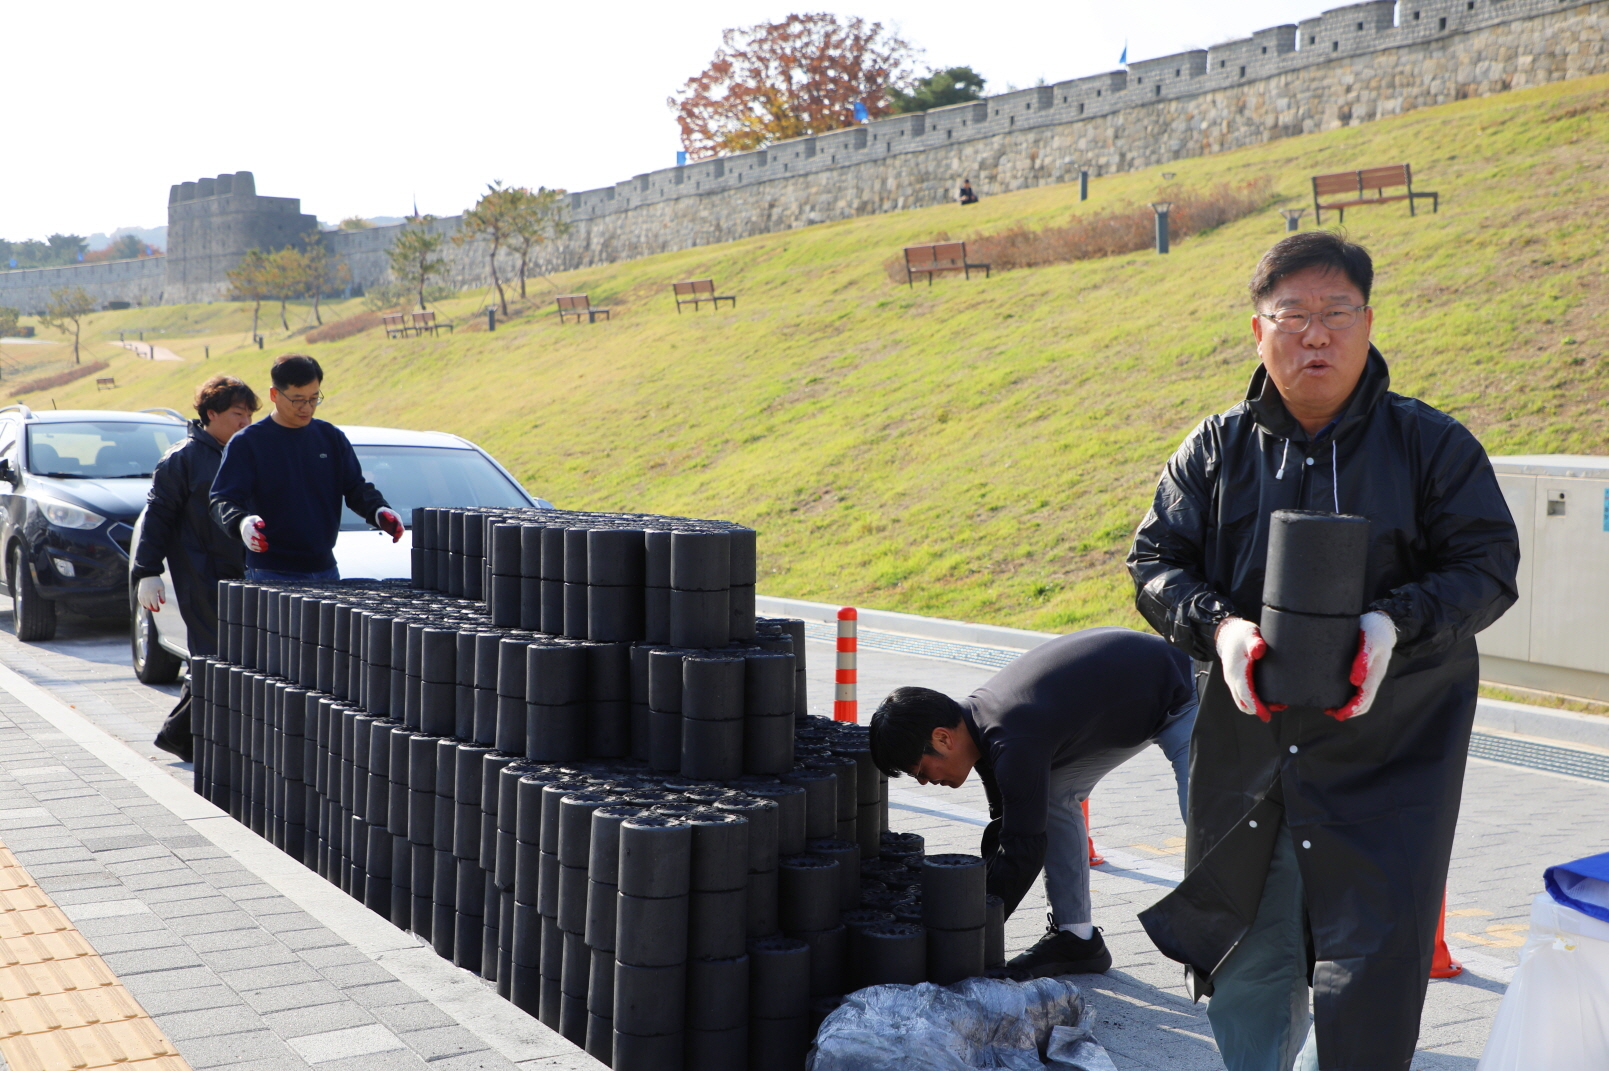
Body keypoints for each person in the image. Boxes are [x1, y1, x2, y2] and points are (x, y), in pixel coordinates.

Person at [1126, 231, 1518, 1071]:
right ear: (1256, 330)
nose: (1316, 335)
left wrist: (1390, 626)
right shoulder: (1216, 449)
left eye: (1336, 313)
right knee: (1251, 955)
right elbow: (1153, 563)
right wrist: (1220, 629)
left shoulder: (1430, 446)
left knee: (1372, 966)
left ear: (1368, 323)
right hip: (1249, 755)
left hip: (1391, 753)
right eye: (1292, 314)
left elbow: (1486, 566)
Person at [868, 627, 1197, 976]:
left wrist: (965, 933)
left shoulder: (1012, 739)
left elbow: (1024, 850)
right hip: (1134, 700)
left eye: (919, 770)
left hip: (1183, 688)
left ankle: (1239, 939)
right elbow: (1007, 827)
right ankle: (1077, 940)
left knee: (1203, 813)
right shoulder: (979, 726)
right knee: (1052, 798)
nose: (925, 781)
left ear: (942, 738)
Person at [132, 375, 260, 762]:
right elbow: (159, 517)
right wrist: (146, 571)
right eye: (238, 414)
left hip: (246, 572)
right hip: (199, 574)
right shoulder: (181, 459)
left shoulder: (248, 453)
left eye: (250, 415)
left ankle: (185, 737)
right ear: (211, 414)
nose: (245, 423)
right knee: (213, 656)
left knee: (227, 659)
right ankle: (184, 736)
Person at [210, 354, 403, 582]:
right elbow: (222, 500)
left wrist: (379, 511)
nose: (307, 407)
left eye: (314, 398)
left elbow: (355, 488)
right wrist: (241, 523)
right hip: (270, 571)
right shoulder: (247, 442)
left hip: (326, 568)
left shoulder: (331, 437)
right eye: (297, 399)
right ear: (274, 395)